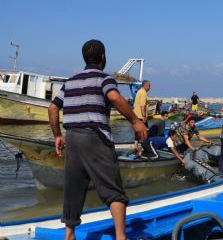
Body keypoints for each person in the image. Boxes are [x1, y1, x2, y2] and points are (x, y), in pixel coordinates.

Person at [48, 39, 148, 240]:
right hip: (95, 137)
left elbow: (52, 108)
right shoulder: (105, 78)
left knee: (73, 189)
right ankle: (121, 236)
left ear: (84, 58)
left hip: (73, 138)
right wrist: (135, 121)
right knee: (113, 189)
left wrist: (57, 135)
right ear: (103, 57)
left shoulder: (70, 81)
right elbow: (113, 97)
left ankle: (69, 234)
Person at [132, 80, 151, 151]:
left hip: (136, 115)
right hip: (141, 116)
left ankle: (135, 146)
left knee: (138, 132)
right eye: (149, 85)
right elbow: (142, 105)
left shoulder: (139, 91)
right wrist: (144, 116)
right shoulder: (143, 93)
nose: (150, 87)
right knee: (145, 131)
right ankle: (145, 147)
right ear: (145, 85)